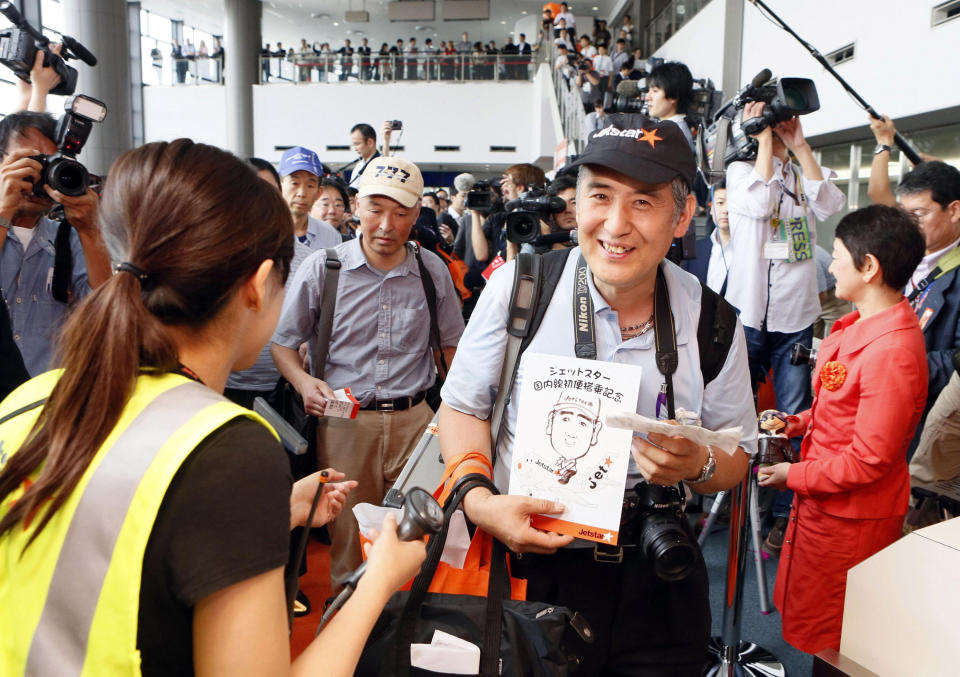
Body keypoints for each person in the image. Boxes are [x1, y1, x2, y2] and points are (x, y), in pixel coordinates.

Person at [0, 139, 427, 676]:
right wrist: (379, 580)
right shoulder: (225, 449)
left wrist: (266, 511)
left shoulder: (27, 402)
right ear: (255, 286)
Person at [438, 114, 756, 676]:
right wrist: (482, 504)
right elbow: (462, 406)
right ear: (574, 203)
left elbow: (736, 455)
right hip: (531, 558)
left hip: (656, 566)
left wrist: (697, 461)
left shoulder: (712, 320)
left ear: (682, 216)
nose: (615, 224)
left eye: (643, 202)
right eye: (599, 196)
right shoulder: (522, 289)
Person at [271, 155, 464, 589]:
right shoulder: (324, 268)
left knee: (417, 535)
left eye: (401, 212)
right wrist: (304, 383)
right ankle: (351, 633)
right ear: (356, 206)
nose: (386, 224)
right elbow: (283, 344)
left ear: (417, 214)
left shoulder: (432, 271)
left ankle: (402, 629)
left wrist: (456, 415)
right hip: (344, 424)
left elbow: (451, 349)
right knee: (349, 538)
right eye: (376, 209)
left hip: (417, 423)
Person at [758, 204, 928, 655]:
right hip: (827, 502)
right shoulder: (860, 325)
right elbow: (840, 408)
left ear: (868, 267)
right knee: (823, 620)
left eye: (836, 255)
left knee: (840, 634)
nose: (829, 265)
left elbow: (869, 458)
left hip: (851, 515)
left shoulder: (891, 351)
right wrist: (795, 423)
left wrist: (791, 476)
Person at [724, 101, 845, 553]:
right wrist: (762, 144)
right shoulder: (740, 174)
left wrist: (799, 144)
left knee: (789, 418)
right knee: (735, 410)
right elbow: (758, 203)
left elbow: (832, 201)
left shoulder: (799, 174)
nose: (777, 133)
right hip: (750, 315)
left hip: (796, 315)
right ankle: (733, 500)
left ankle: (780, 512)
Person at [224, 149, 340, 408]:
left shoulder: (329, 238)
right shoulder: (245, 233)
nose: (301, 192)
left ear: (318, 191)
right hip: (234, 373)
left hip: (290, 376)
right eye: (294, 183)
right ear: (280, 186)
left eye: (310, 185)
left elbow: (329, 297)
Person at [0, 112, 111, 378]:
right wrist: (4, 209)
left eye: (51, 166)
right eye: (31, 162)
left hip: (49, 402)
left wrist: (91, 229)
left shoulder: (70, 238)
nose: (40, 177)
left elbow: (104, 313)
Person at [684, 180, 731, 295]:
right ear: (711, 209)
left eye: (732, 203)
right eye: (720, 203)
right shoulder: (695, 250)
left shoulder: (749, 253)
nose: (725, 210)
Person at [644, 61, 695, 151]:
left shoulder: (676, 135)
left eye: (655, 91)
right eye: (649, 90)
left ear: (673, 96)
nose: (647, 97)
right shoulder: (672, 129)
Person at [347, 122, 382, 187]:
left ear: (370, 142)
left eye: (357, 144)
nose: (355, 148)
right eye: (354, 145)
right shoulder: (359, 165)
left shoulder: (382, 164)